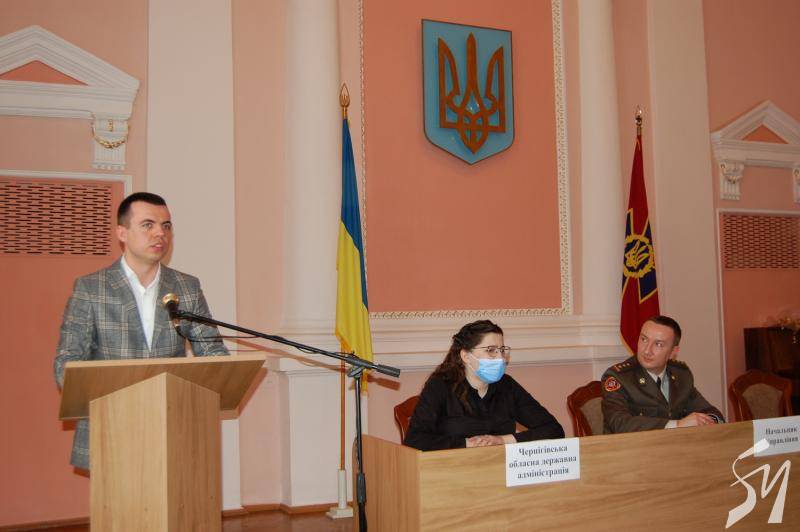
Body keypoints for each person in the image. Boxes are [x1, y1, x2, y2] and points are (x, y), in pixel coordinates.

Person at [54, 192, 229, 470]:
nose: (160, 233)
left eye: (166, 226)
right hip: (111, 428)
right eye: (148, 225)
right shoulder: (91, 288)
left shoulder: (186, 287)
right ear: (122, 233)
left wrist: (221, 374)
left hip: (175, 425)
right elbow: (67, 363)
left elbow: (213, 351)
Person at [403, 320, 564, 451]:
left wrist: (503, 440)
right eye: (491, 350)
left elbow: (553, 430)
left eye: (502, 350)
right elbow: (415, 439)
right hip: (452, 470)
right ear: (466, 356)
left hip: (499, 469)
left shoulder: (507, 385)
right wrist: (467, 444)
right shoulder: (440, 386)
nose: (500, 357)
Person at [602, 315, 724, 434]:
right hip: (629, 446)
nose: (647, 350)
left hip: (674, 446)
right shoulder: (619, 377)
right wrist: (677, 425)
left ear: (673, 352)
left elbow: (708, 410)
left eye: (658, 344)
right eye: (644, 339)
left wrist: (710, 421)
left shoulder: (681, 374)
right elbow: (620, 423)